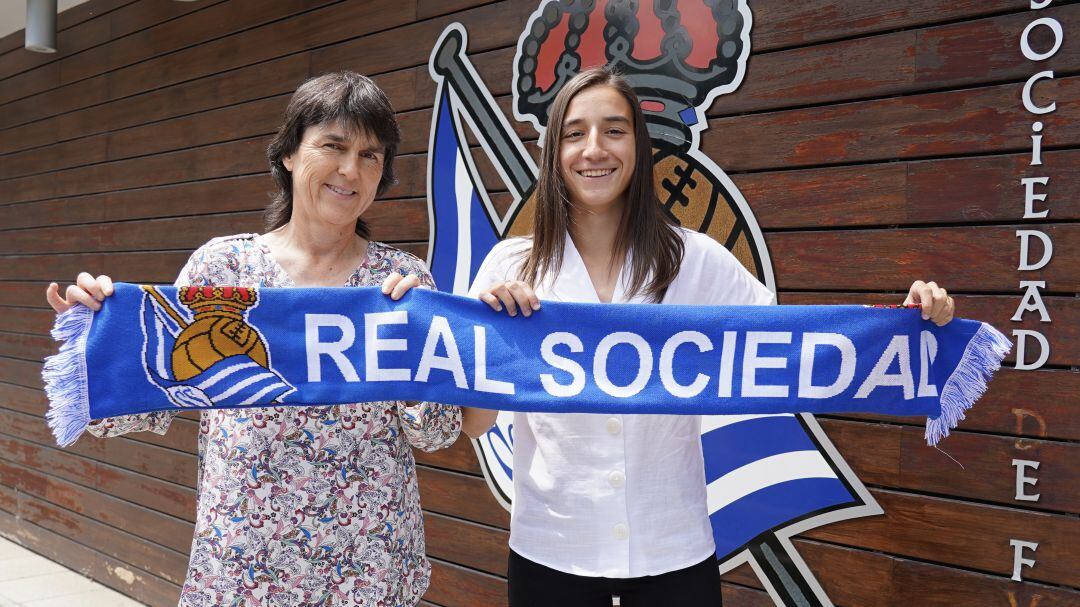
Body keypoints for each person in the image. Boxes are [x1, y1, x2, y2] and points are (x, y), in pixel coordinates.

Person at [461, 67, 955, 607]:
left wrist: (903, 325)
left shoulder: (694, 259)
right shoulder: (511, 267)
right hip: (552, 555)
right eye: (575, 133)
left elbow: (795, 352)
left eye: (614, 130)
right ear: (554, 152)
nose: (594, 149)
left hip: (673, 553)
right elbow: (476, 425)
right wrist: (492, 337)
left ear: (639, 145)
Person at [45, 72, 461, 607]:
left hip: (372, 568)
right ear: (288, 154)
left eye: (370, 155)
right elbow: (137, 406)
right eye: (332, 146)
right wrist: (97, 335)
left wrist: (409, 339)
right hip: (243, 567)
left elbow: (439, 433)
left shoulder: (402, 282)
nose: (349, 170)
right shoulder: (223, 267)